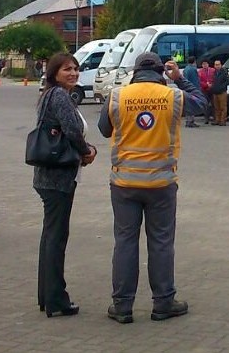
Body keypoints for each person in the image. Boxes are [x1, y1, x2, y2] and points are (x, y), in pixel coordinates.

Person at [97, 51, 207, 324]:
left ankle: (122, 306)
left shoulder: (117, 96)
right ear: (162, 71)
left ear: (135, 71)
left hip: (124, 183)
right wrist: (180, 79)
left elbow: (103, 129)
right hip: (161, 183)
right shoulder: (174, 96)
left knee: (124, 242)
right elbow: (202, 104)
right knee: (160, 242)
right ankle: (163, 303)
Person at [33, 53, 97, 318]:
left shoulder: (50, 94)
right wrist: (86, 151)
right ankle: (57, 299)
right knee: (56, 238)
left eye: (76, 69)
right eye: (66, 69)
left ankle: (47, 296)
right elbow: (71, 129)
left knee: (50, 236)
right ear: (54, 72)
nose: (73, 73)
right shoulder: (59, 96)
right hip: (57, 177)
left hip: (49, 176)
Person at [210, 59, 229, 126]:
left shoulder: (224, 72)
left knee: (223, 107)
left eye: (218, 64)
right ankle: (217, 120)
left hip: (222, 92)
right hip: (215, 92)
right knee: (216, 107)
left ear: (221, 65)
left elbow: (228, 81)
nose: (217, 66)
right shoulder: (214, 72)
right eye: (216, 65)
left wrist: (222, 86)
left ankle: (223, 121)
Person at [182, 56, 200, 128]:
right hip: (192, 89)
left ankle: (188, 121)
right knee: (192, 105)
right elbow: (196, 80)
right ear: (194, 62)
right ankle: (191, 121)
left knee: (187, 105)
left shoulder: (185, 69)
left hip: (186, 89)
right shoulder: (193, 69)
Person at [198, 60, 214, 124]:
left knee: (213, 103)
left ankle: (214, 116)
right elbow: (199, 81)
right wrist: (206, 85)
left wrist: (212, 84)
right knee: (205, 104)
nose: (205, 65)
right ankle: (206, 118)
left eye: (206, 64)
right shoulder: (200, 72)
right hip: (204, 90)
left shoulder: (212, 70)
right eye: (203, 64)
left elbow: (215, 78)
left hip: (212, 89)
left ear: (208, 64)